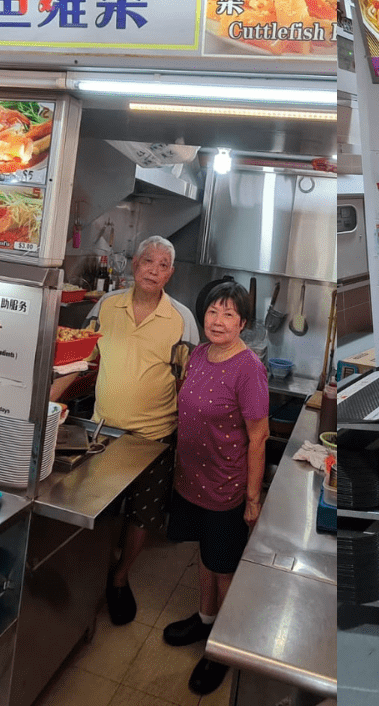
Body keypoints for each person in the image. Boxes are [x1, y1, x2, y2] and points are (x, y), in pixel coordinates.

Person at [160, 280, 269, 696]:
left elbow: (258, 437)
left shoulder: (249, 369)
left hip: (226, 487)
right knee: (205, 556)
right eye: (212, 312)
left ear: (242, 322)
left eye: (229, 314)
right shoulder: (201, 354)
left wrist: (252, 500)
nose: (218, 320)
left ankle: (222, 649)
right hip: (191, 481)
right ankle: (205, 620)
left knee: (224, 569)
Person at [90, 235, 198, 626]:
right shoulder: (106, 306)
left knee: (143, 516)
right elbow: (80, 358)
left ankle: (120, 579)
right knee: (98, 511)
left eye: (163, 264)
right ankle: (89, 576)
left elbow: (189, 380)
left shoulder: (181, 319)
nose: (154, 269)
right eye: (147, 261)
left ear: (172, 273)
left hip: (155, 438)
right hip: (102, 433)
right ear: (134, 264)